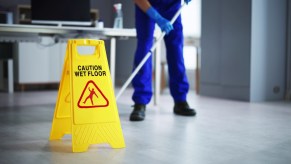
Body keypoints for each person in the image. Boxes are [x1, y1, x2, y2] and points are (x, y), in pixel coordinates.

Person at [130, 0, 196, 121]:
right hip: (147, 4)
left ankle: (180, 101)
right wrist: (157, 18)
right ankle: (140, 102)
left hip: (171, 4)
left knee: (176, 49)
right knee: (144, 48)